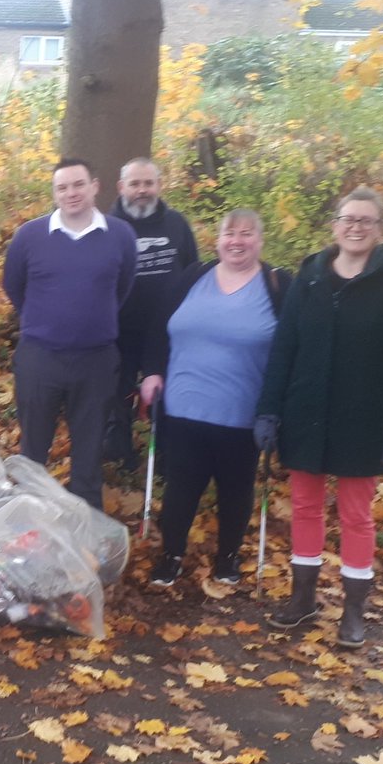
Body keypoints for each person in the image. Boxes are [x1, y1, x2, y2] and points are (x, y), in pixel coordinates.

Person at [256, 187, 383, 648]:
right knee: (304, 507)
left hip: (363, 419)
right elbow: (284, 347)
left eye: (365, 220)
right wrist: (269, 409)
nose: (355, 227)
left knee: (356, 515)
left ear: (380, 228)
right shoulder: (309, 276)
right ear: (335, 225)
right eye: (348, 219)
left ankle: (353, 611)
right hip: (305, 411)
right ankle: (302, 599)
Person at [140, 210, 290, 587]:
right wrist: (152, 372)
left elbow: (293, 347)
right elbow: (158, 327)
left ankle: (228, 557)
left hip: (242, 411)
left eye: (247, 234)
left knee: (236, 489)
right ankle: (171, 555)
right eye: (229, 233)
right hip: (182, 407)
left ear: (260, 240)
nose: (237, 241)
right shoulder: (193, 276)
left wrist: (278, 406)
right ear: (218, 239)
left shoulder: (278, 285)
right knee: (181, 486)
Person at [2, 158, 137, 510]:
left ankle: (84, 531)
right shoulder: (30, 236)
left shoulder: (121, 235)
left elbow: (121, 288)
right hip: (40, 358)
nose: (71, 193)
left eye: (78, 185)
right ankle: (28, 522)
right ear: (54, 193)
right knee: (33, 452)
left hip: (96, 361)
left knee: (89, 455)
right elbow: (14, 286)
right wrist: (44, 320)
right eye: (62, 187)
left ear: (95, 186)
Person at [105, 158, 198, 470]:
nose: (142, 190)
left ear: (159, 185)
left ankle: (165, 464)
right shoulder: (106, 227)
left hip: (169, 332)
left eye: (148, 183)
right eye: (135, 184)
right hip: (119, 331)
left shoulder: (177, 224)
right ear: (121, 187)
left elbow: (192, 272)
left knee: (167, 398)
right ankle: (119, 460)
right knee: (116, 397)